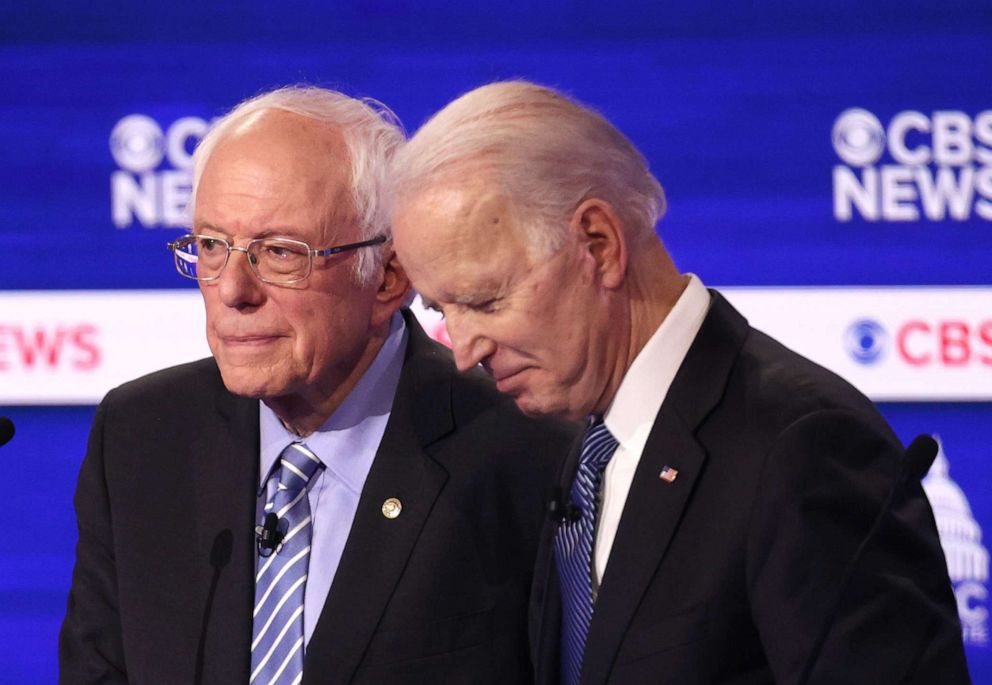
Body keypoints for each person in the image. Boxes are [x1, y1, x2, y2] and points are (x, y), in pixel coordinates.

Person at [388, 81, 970, 684]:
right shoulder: (585, 451)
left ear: (599, 243)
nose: (465, 352)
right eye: (442, 310)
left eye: (485, 300)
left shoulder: (801, 445)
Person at [59, 86, 576, 685]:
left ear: (388, 276)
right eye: (210, 246)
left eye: (280, 252)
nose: (233, 291)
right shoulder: (142, 434)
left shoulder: (524, 455)